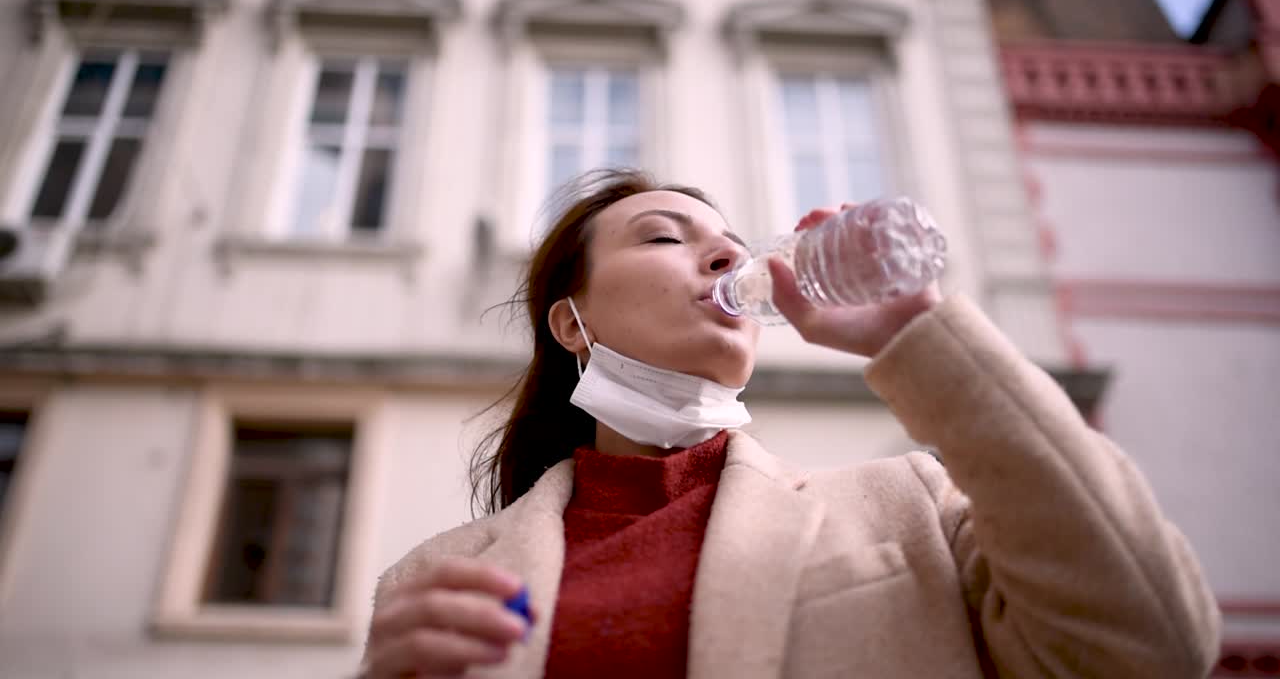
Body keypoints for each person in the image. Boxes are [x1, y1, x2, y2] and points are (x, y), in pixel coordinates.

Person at [358, 169, 1220, 678]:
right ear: (572, 324)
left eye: (730, 241)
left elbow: (1150, 645)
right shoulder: (436, 579)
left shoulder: (914, 506)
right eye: (662, 238)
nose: (730, 254)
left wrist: (921, 337)